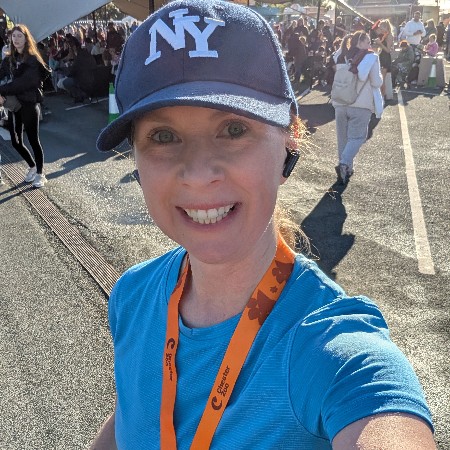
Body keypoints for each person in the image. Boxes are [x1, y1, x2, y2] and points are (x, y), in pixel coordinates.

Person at [91, 1, 435, 448]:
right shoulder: (132, 295)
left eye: (233, 129)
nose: (199, 173)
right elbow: (133, 412)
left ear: (290, 143)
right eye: (163, 136)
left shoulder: (328, 347)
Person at [0, 24, 50, 188]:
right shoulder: (9, 59)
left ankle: (40, 174)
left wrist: (1, 91)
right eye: (14, 36)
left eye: (19, 36)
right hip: (15, 105)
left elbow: (23, 83)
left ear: (26, 38)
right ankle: (32, 166)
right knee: (15, 141)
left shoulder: (32, 59)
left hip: (29, 103)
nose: (16, 39)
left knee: (34, 140)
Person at [331, 30, 384, 184]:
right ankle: (344, 163)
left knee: (343, 138)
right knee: (357, 137)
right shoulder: (370, 58)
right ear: (360, 42)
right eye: (367, 42)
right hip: (361, 104)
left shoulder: (342, 56)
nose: (369, 45)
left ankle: (346, 169)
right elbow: (376, 82)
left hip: (340, 102)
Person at [372, 19, 394, 99]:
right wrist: (377, 44)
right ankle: (381, 96)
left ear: (386, 27)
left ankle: (382, 97)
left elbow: (388, 50)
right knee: (380, 79)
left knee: (382, 80)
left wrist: (380, 43)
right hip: (381, 56)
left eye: (381, 28)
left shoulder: (389, 36)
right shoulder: (384, 35)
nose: (380, 30)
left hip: (385, 58)